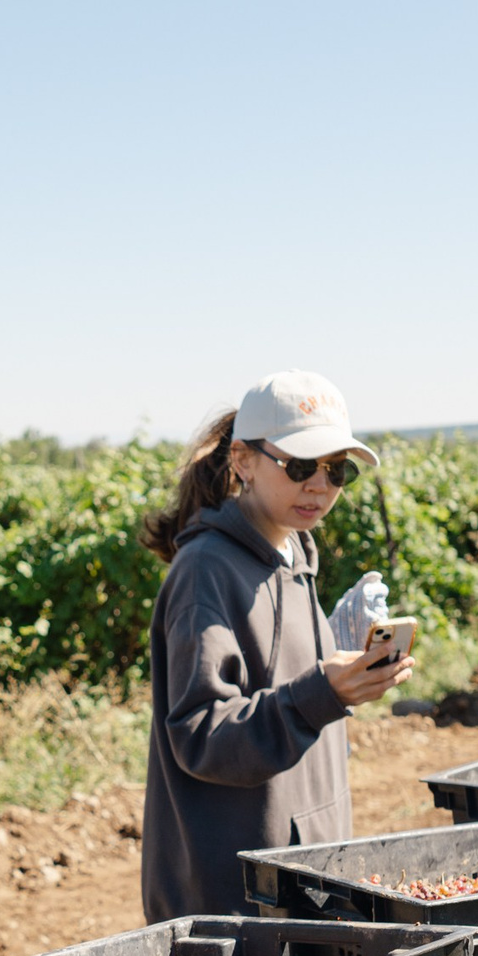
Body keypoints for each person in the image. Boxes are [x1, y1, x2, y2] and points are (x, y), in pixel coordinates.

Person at [140, 372, 410, 920]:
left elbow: (283, 687)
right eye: (301, 466)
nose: (320, 486)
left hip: (305, 875)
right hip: (238, 900)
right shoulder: (205, 571)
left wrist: (342, 664)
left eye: (337, 470)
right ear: (243, 460)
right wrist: (320, 694)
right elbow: (202, 734)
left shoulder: (293, 553)